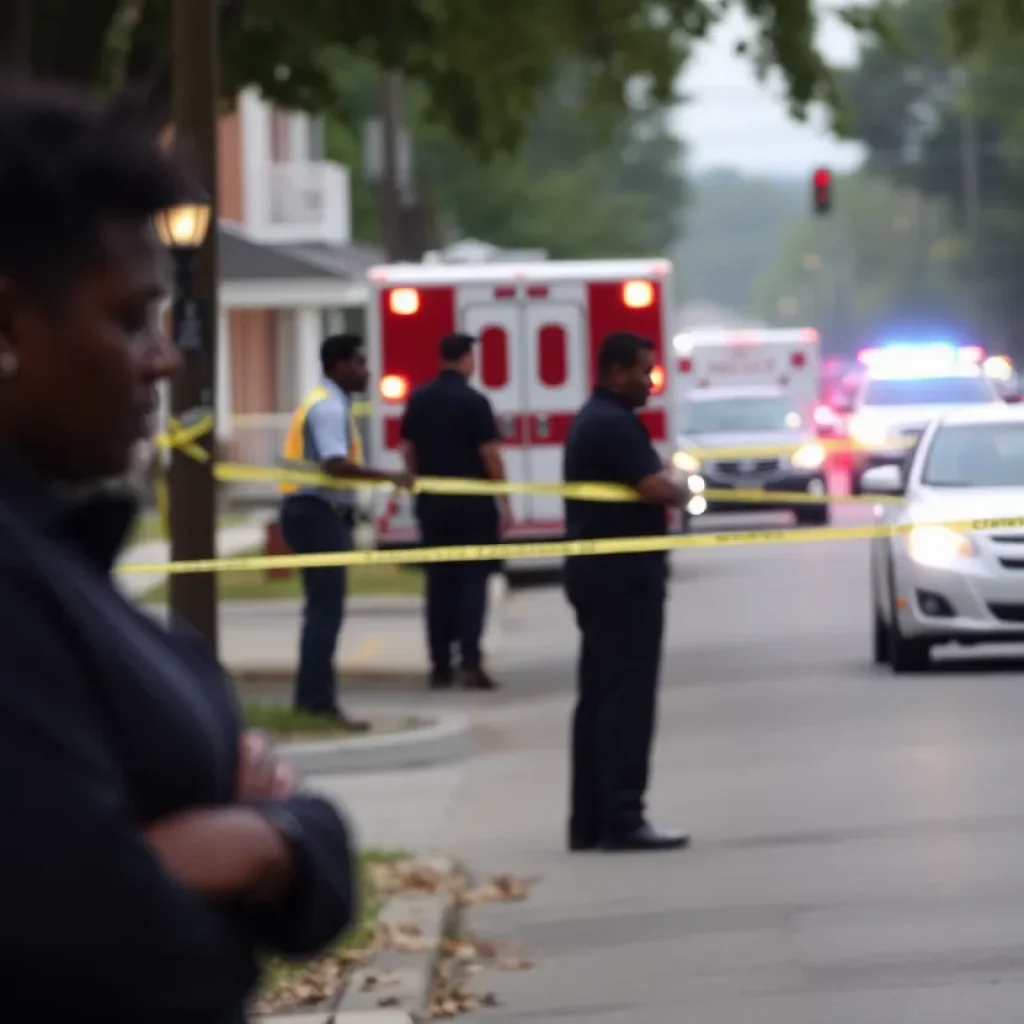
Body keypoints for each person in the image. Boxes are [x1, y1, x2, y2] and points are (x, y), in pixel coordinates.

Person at [0, 81, 354, 1022]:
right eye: (127, 320)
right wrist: (265, 848)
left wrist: (268, 843)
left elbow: (318, 858)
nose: (162, 359)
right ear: (6, 327)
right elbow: (122, 954)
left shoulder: (58, 557)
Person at [563, 331, 689, 853]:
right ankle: (623, 816)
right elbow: (661, 488)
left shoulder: (595, 419)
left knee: (598, 698)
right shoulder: (614, 424)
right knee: (626, 700)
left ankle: (589, 820)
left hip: (599, 575)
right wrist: (679, 481)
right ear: (615, 372)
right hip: (623, 580)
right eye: (642, 371)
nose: (650, 381)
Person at [279, 333, 412, 726]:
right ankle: (317, 703)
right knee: (324, 613)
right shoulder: (328, 409)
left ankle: (313, 699)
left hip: (314, 511)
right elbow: (335, 465)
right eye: (358, 362)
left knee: (322, 611)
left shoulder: (329, 402)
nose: (365, 370)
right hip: (316, 513)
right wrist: (389, 476)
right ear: (337, 366)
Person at [398, 332, 511, 690]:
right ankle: (471, 662)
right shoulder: (475, 401)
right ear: (465, 359)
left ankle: (439, 665)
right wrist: (504, 499)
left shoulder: (419, 399)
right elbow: (490, 453)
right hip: (473, 507)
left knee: (439, 584)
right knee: (472, 583)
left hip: (433, 506)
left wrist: (419, 480)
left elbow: (407, 449)